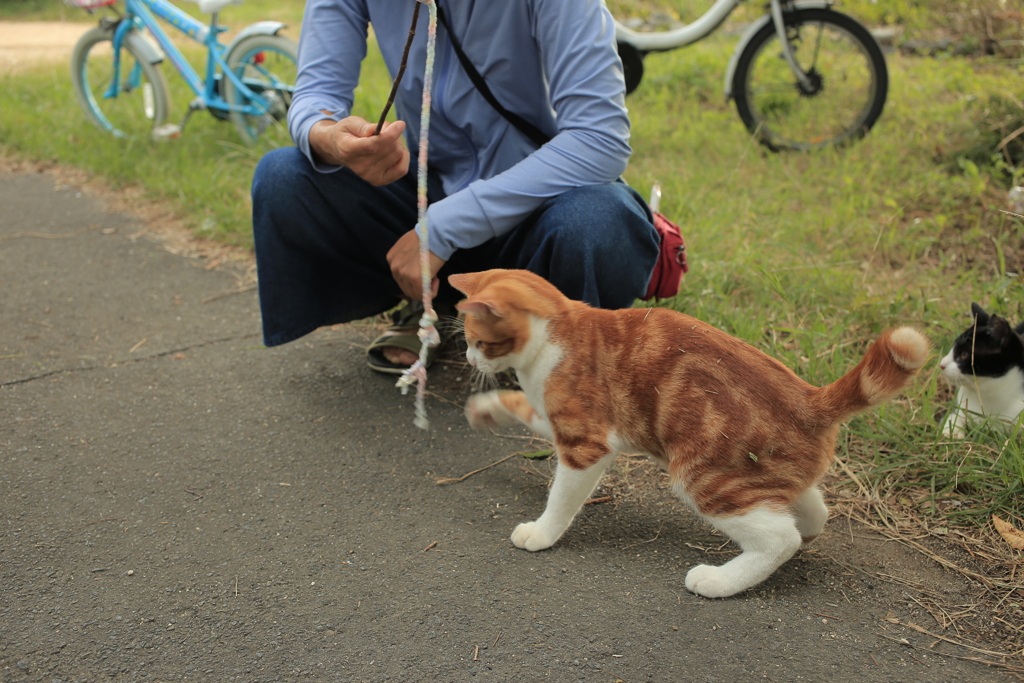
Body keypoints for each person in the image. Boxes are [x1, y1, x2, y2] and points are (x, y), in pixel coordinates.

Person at [251, 0, 660, 373]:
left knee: (601, 220)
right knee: (285, 176)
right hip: (425, 190)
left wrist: (441, 229)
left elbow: (599, 139)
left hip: (538, 206)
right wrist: (332, 139)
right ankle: (437, 303)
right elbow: (315, 94)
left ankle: (543, 337)